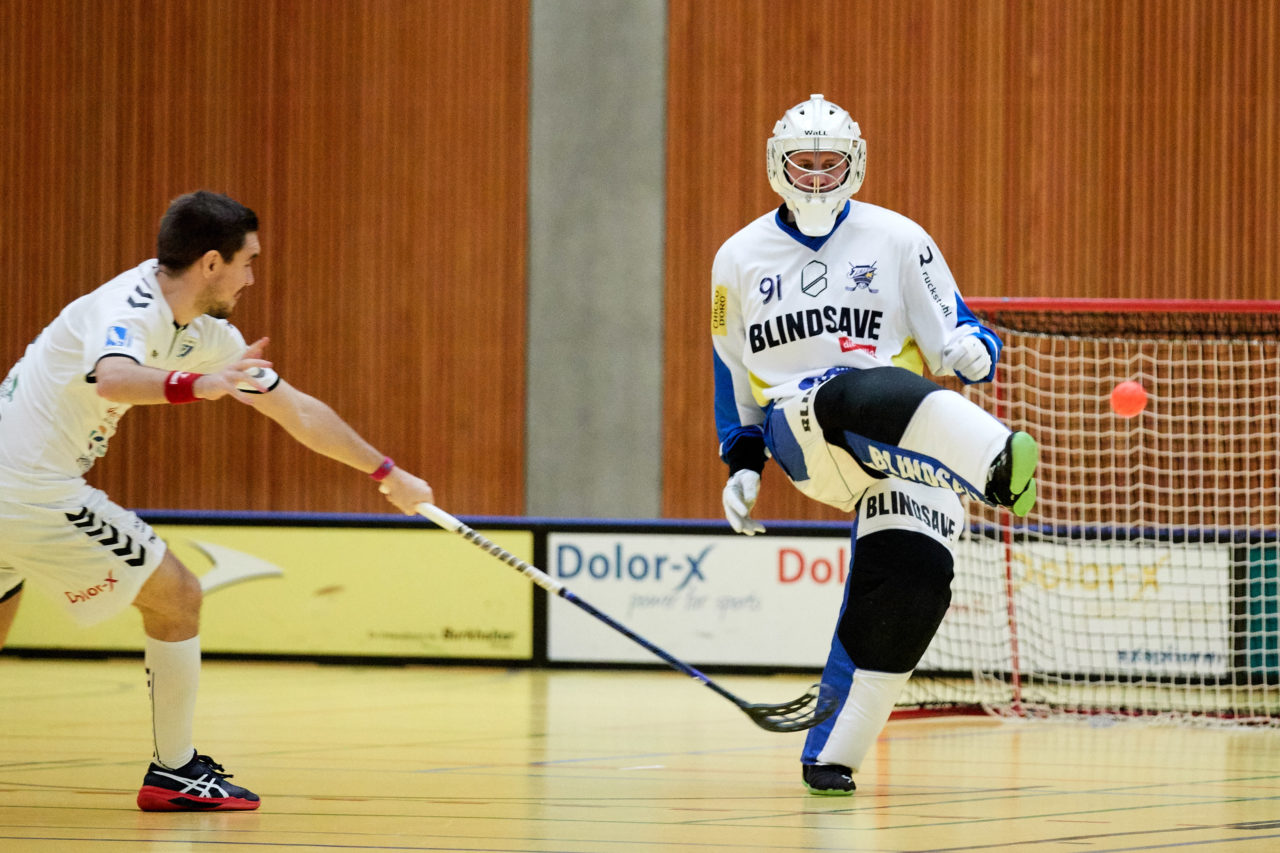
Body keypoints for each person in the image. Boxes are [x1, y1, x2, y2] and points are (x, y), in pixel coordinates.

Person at [0, 190, 436, 811]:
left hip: (11, 491)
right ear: (211, 263)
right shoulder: (129, 306)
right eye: (248, 262)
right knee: (178, 595)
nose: (253, 277)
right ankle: (174, 771)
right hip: (29, 489)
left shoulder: (206, 336)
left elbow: (299, 412)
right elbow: (115, 376)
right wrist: (201, 386)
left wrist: (386, 471)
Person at [711, 95, 1038, 795]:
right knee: (848, 388)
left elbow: (964, 329)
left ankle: (834, 752)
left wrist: (974, 351)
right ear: (779, 165)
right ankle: (996, 462)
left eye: (834, 166)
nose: (820, 179)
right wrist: (741, 463)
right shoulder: (737, 259)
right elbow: (731, 371)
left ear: (855, 164)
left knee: (917, 579)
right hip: (804, 432)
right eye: (807, 165)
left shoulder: (899, 239)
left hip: (903, 449)